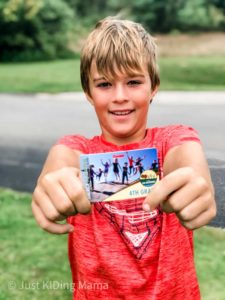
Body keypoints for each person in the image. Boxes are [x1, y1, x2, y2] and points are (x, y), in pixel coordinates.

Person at [31, 16, 216, 300]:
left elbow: (187, 159)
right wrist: (53, 185)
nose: (119, 96)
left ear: (153, 86)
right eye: (104, 84)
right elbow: (62, 163)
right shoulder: (77, 148)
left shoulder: (172, 139)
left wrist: (196, 182)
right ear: (88, 93)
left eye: (133, 82)